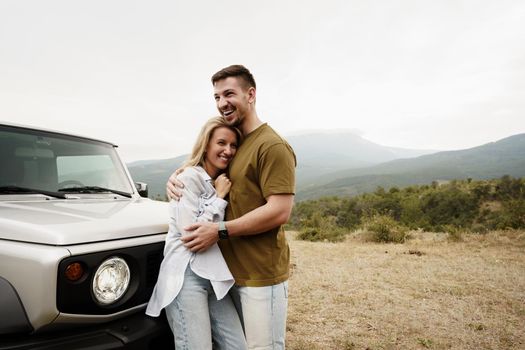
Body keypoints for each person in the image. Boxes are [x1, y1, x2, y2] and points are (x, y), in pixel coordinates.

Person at [166, 65, 296, 350]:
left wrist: (219, 230)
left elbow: (279, 210)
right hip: (228, 274)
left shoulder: (271, 145)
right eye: (216, 97)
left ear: (251, 94)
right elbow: (204, 171)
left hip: (261, 274)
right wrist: (177, 176)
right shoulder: (237, 142)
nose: (222, 102)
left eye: (229, 94)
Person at [147, 116, 247, 349]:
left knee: (238, 345)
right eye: (221, 143)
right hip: (185, 277)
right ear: (206, 144)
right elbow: (192, 237)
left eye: (233, 145)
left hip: (213, 276)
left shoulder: (218, 180)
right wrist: (218, 197)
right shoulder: (188, 178)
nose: (228, 150)